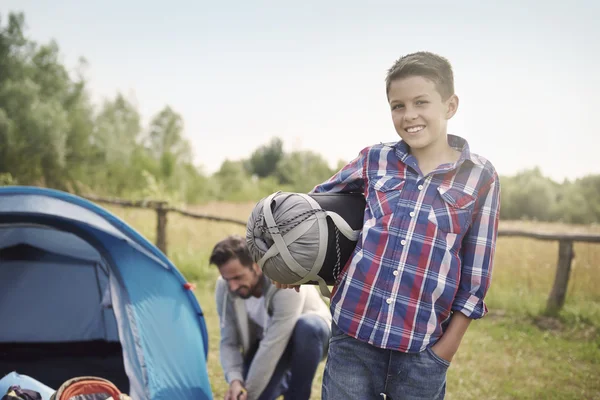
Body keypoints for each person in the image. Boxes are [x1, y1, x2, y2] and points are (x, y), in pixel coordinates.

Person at [275, 51, 501, 399]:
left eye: (420, 102)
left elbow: (475, 276)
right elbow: (312, 210)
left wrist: (444, 351)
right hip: (353, 337)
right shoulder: (374, 160)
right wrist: (295, 261)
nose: (409, 115)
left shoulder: (479, 176)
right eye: (398, 106)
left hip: (422, 350)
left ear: (450, 105)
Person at [210, 235, 332, 400]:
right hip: (267, 341)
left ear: (257, 267)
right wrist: (235, 381)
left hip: (310, 335)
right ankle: (281, 381)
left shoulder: (284, 280)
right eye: (227, 279)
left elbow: (274, 344)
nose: (232, 286)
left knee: (306, 327)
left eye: (238, 277)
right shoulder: (224, 288)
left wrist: (250, 394)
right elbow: (228, 341)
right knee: (257, 391)